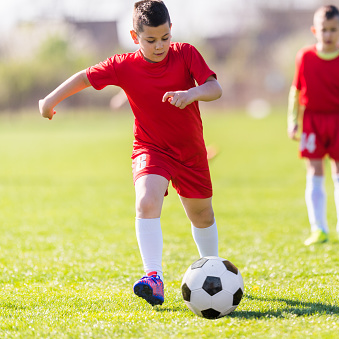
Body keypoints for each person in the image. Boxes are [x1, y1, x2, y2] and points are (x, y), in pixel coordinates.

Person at [38, 0, 223, 306]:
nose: (159, 45)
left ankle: (213, 269)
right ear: (135, 36)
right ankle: (153, 277)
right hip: (151, 148)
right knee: (146, 200)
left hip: (190, 152)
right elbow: (85, 77)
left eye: (165, 37)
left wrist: (191, 93)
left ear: (171, 30)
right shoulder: (123, 65)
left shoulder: (186, 53)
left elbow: (214, 87)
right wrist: (50, 99)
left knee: (202, 215)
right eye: (150, 40)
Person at [287, 5, 339, 246]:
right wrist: (293, 121)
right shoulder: (305, 57)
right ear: (314, 30)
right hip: (312, 120)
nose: (328, 34)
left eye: (333, 30)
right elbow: (296, 91)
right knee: (315, 172)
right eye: (323, 30)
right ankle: (318, 228)